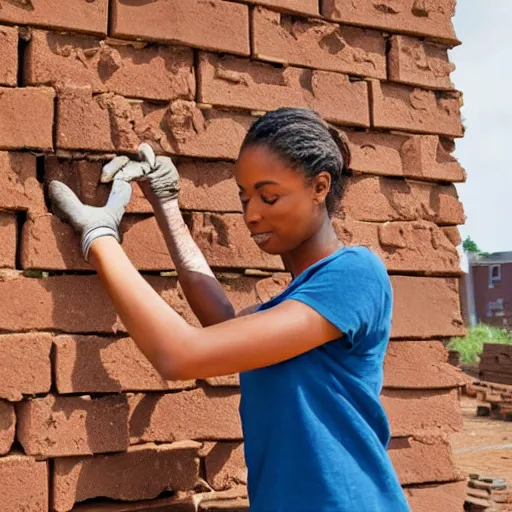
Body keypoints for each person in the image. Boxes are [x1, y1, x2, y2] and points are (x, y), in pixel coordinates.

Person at [49, 108, 411, 512]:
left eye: (269, 196)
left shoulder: (355, 274)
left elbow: (181, 354)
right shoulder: (295, 303)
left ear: (320, 186)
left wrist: (100, 238)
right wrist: (167, 206)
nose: (251, 214)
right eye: (244, 197)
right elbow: (221, 325)